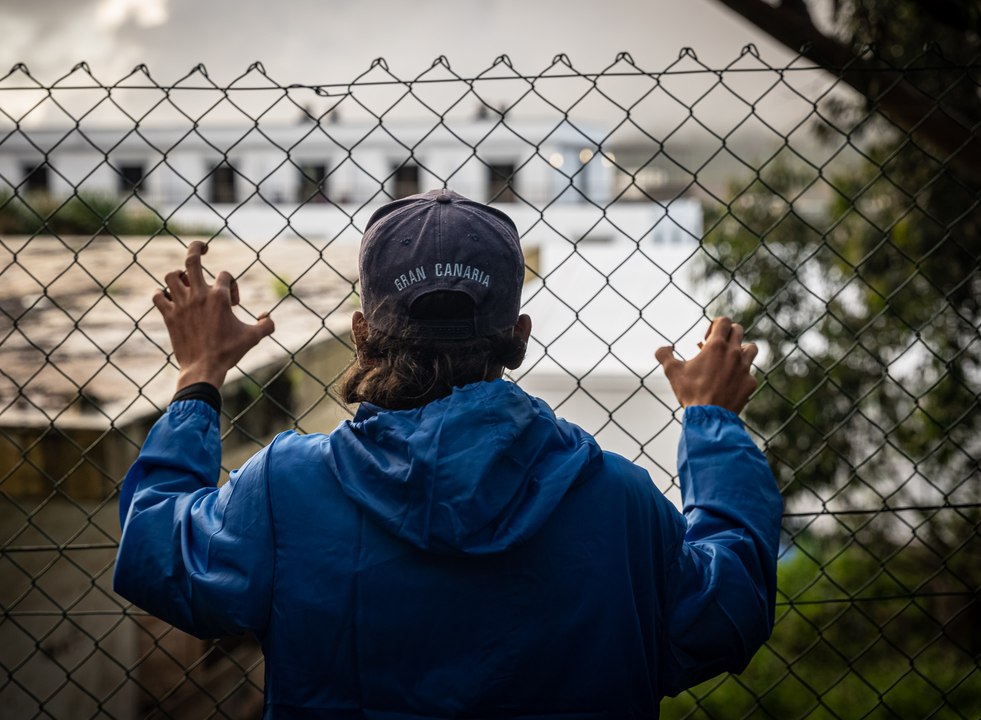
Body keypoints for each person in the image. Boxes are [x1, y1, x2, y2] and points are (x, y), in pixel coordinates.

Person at [114, 189, 783, 719]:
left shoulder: (285, 491)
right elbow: (726, 613)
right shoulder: (619, 503)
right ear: (518, 338)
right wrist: (711, 424)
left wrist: (198, 375)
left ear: (361, 332)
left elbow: (156, 551)